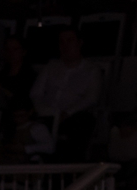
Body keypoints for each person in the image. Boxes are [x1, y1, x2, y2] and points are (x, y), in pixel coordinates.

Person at [29, 29, 100, 162]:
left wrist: (68, 112)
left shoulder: (91, 70)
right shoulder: (51, 66)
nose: (65, 45)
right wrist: (45, 112)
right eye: (61, 42)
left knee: (80, 125)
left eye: (69, 41)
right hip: (47, 114)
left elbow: (92, 98)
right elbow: (35, 93)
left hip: (74, 116)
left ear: (79, 43)